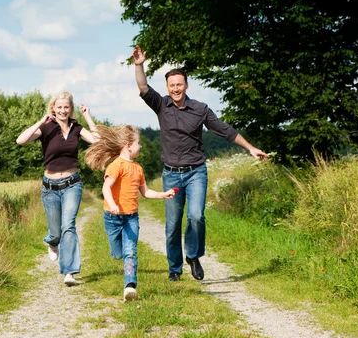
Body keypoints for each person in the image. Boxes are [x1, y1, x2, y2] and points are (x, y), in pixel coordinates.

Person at [132, 46, 268, 282]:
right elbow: (143, 88)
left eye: (179, 84)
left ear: (186, 85)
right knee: (173, 224)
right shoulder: (161, 105)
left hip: (196, 172)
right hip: (172, 174)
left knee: (196, 216)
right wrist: (139, 65)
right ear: (167, 87)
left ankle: (193, 256)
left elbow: (225, 130)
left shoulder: (200, 109)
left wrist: (250, 148)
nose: (175, 88)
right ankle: (174, 268)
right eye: (171, 85)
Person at [16, 91, 98, 286]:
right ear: (53, 108)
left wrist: (88, 117)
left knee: (68, 225)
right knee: (56, 232)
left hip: (72, 184)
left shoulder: (77, 127)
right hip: (50, 187)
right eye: (59, 107)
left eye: (66, 107)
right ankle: (52, 242)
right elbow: (21, 140)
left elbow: (97, 140)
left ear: (71, 109)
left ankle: (69, 272)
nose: (63, 110)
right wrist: (40, 122)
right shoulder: (46, 128)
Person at [85, 124, 175, 301]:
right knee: (118, 253)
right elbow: (106, 188)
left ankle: (130, 286)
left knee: (130, 251)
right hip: (112, 217)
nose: (140, 146)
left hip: (131, 217)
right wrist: (112, 204)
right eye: (138, 143)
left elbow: (146, 192)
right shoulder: (116, 165)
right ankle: (122, 265)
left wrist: (164, 194)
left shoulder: (138, 169)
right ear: (128, 145)